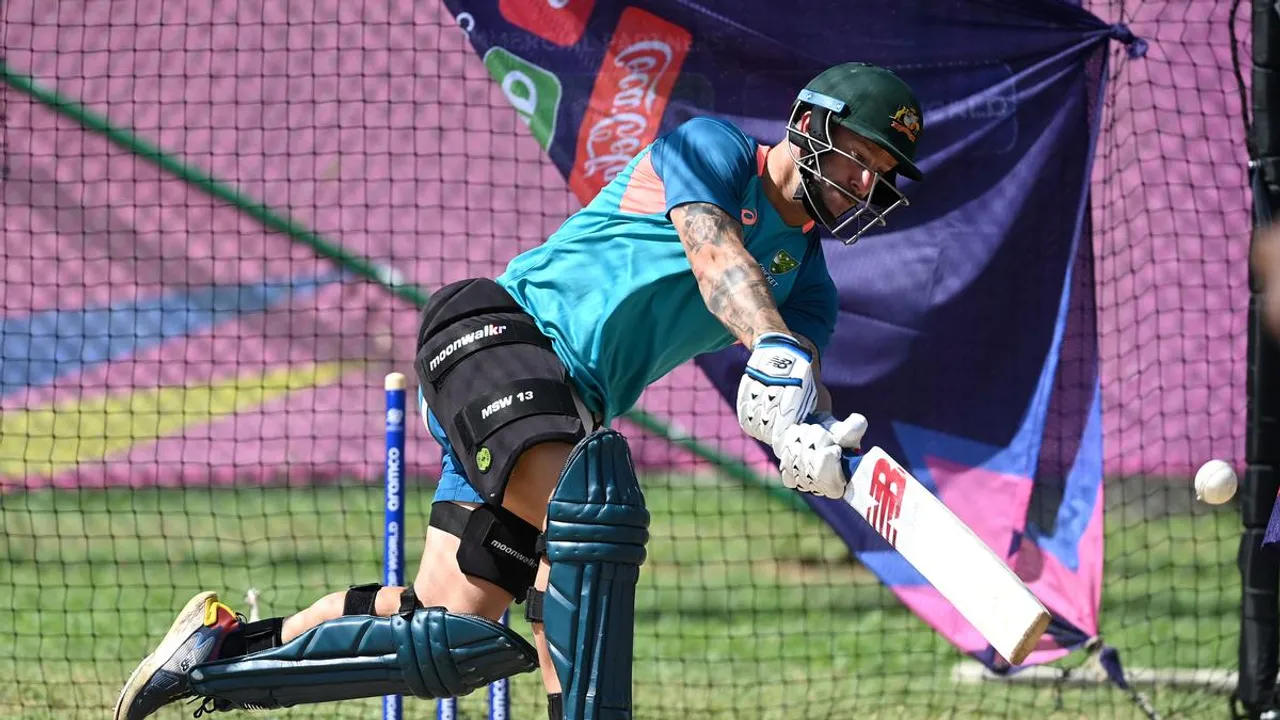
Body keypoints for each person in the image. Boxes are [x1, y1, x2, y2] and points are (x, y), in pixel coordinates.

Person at [113, 61, 926, 720]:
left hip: (556, 415)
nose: (863, 187)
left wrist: (803, 439)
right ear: (811, 127)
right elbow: (718, 261)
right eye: (861, 158)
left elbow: (783, 391)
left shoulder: (812, 290)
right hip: (500, 334)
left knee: (450, 632)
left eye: (880, 177)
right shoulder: (712, 148)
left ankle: (217, 658)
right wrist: (777, 349)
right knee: (588, 522)